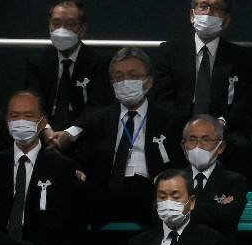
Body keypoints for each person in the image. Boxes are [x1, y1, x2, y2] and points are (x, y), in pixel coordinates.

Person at [55, 46, 185, 225]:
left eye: (133, 75)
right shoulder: (96, 121)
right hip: (106, 191)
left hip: (151, 193)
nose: (125, 81)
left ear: (148, 82)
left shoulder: (170, 121)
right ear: (112, 84)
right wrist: (79, 171)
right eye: (119, 77)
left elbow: (179, 163)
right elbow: (82, 161)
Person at [0, 89, 82, 245]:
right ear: (7, 121)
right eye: (15, 116)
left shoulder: (62, 167)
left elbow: (65, 222)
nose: (21, 121)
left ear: (42, 122)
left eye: (28, 116)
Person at [152, 0, 252, 173]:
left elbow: (247, 104)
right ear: (192, 15)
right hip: (180, 130)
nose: (208, 12)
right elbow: (162, 101)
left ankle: (231, 200)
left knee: (243, 148)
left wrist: (219, 127)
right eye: (203, 6)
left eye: (216, 8)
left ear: (226, 20)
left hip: (222, 132)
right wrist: (191, 130)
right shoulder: (169, 52)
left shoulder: (241, 57)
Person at [24, 0, 111, 130]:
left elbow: (97, 107)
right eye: (56, 23)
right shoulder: (37, 62)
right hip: (44, 132)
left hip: (84, 133)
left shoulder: (98, 63)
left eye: (70, 24)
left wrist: (71, 134)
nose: (62, 30)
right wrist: (47, 133)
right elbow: (33, 104)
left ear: (82, 29)